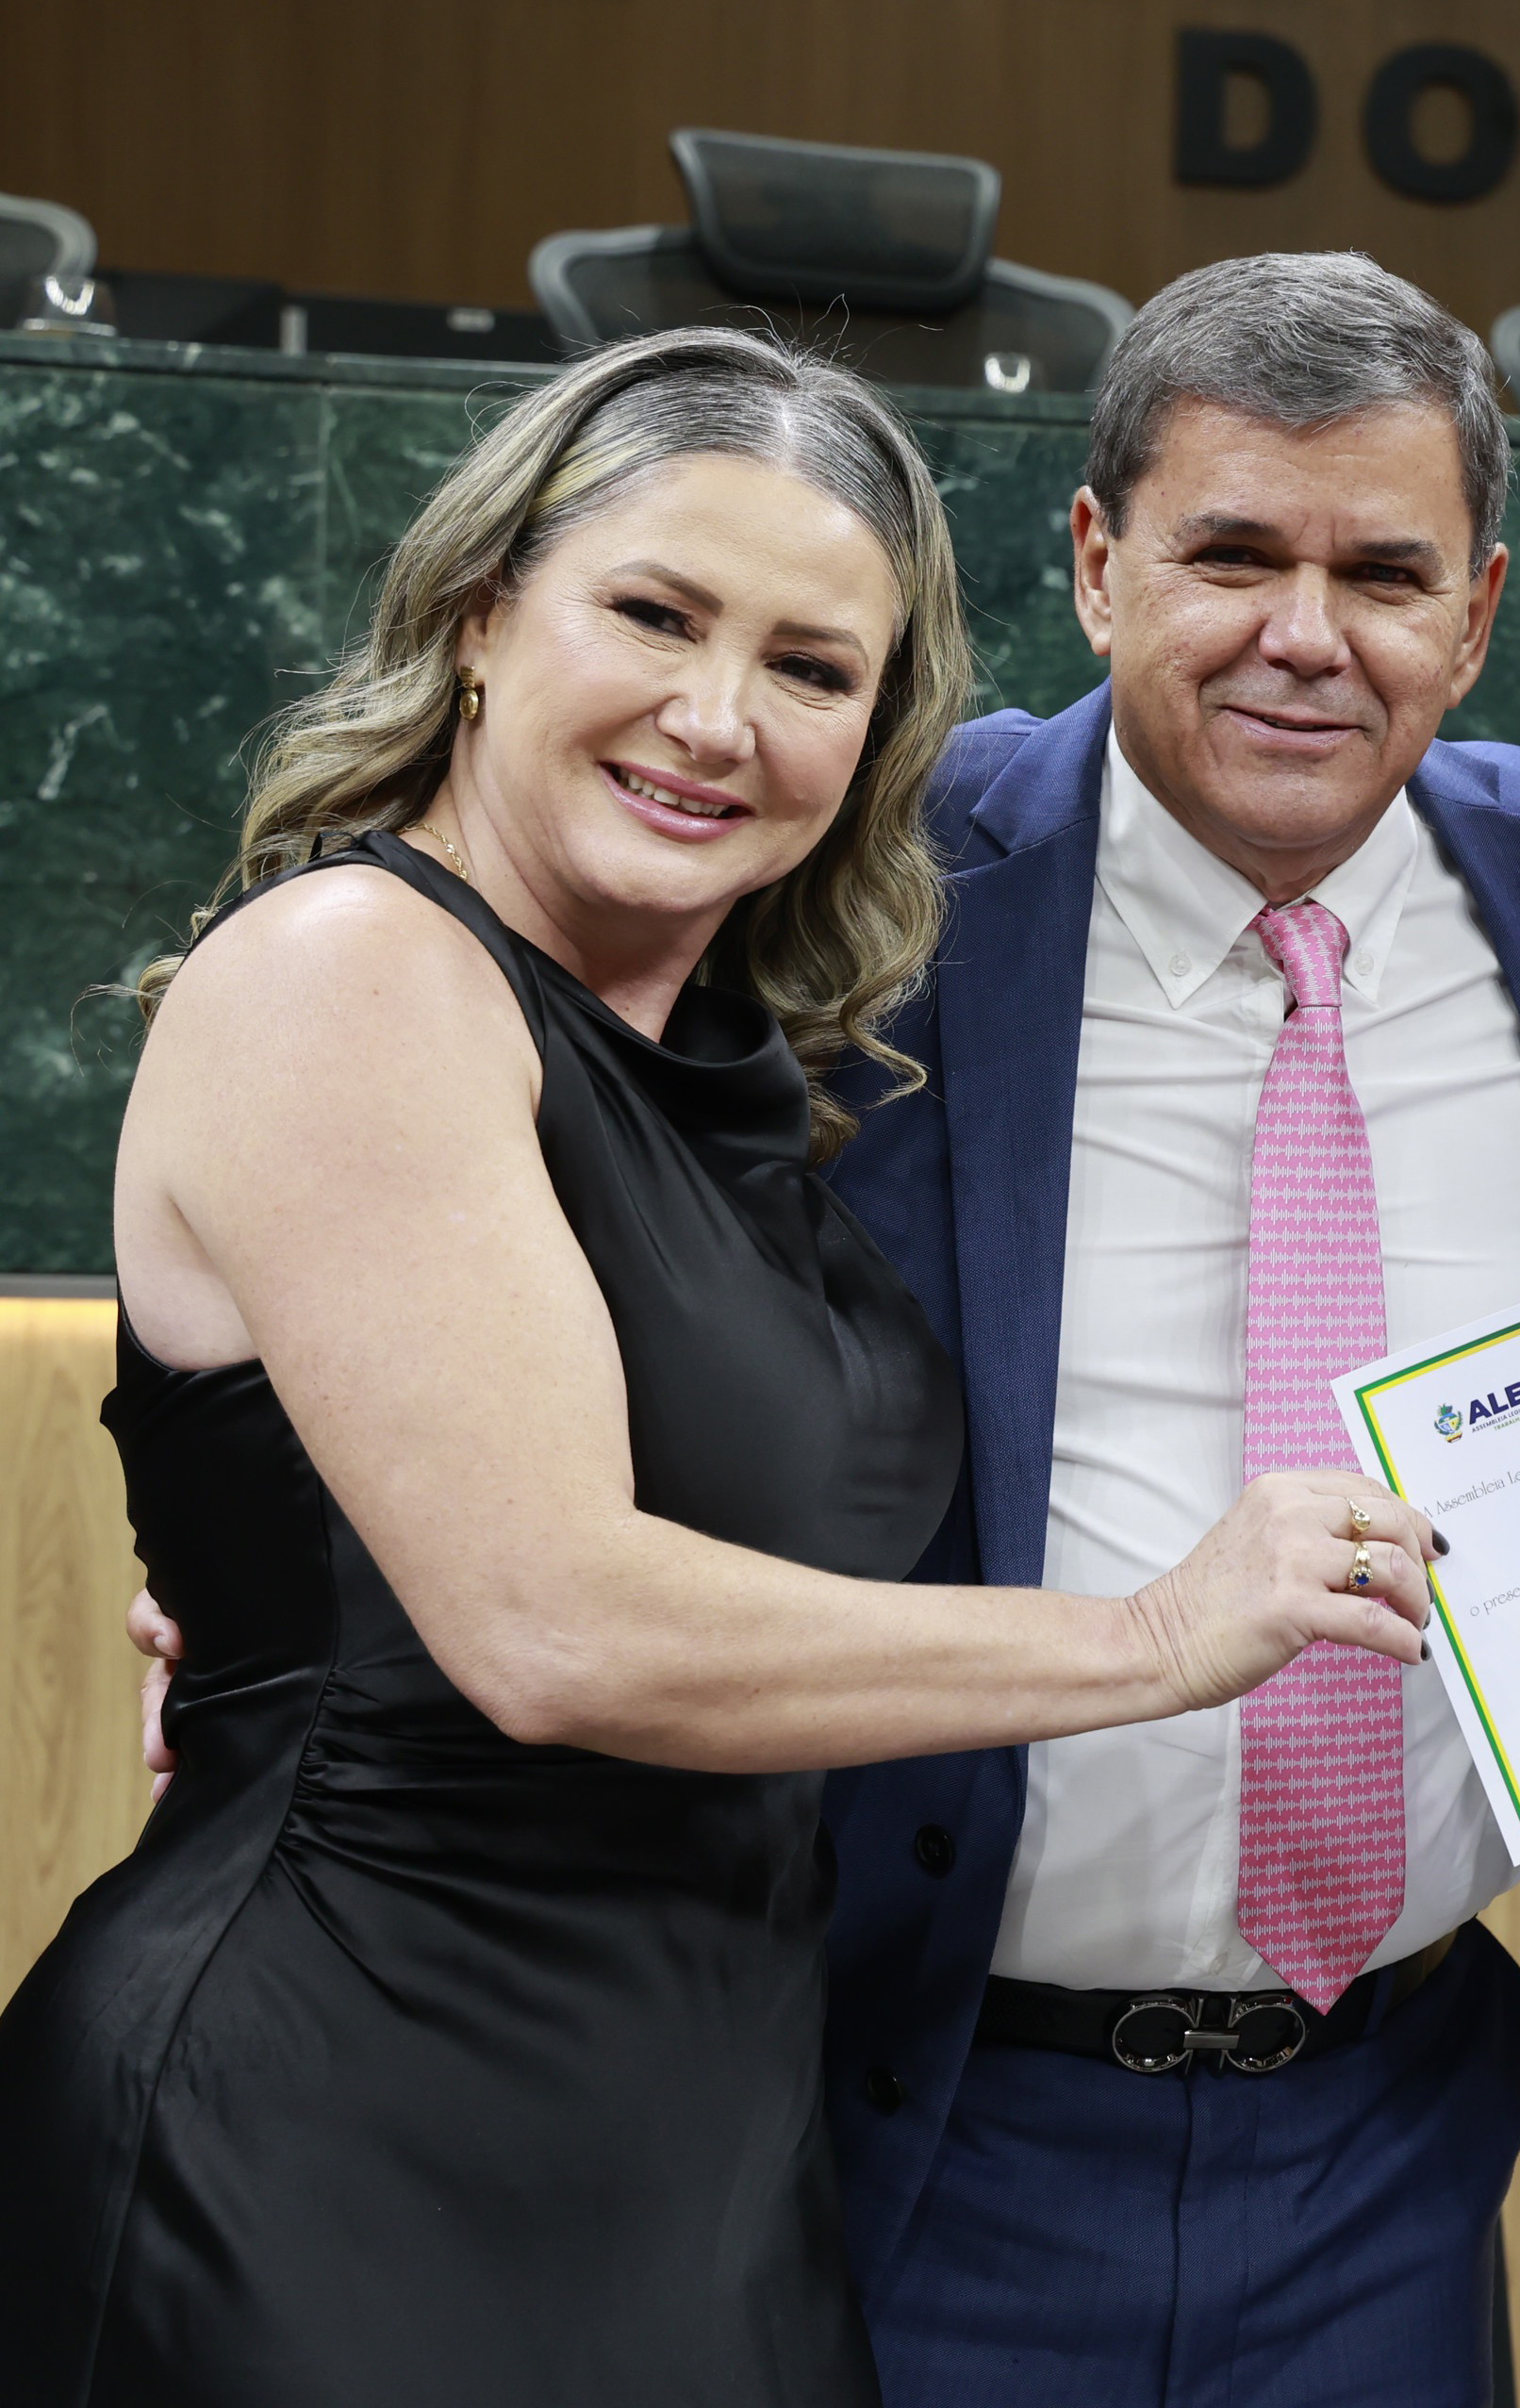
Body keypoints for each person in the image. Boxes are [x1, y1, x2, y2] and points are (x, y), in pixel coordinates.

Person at [2, 328, 1443, 2408]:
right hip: (323, 2145)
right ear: (481, 610)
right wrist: (1155, 1634)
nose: (715, 718)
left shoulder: (739, 1070)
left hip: (709, 2155)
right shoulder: (351, 970)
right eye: (656, 614)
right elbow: (550, 1626)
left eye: (810, 667)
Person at [810, 256, 1520, 2406]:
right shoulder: (862, 881)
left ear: (1476, 615)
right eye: (1230, 555)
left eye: (1383, 573)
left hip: (1384, 2139)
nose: (1308, 634)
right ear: (1096, 563)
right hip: (911, 2120)